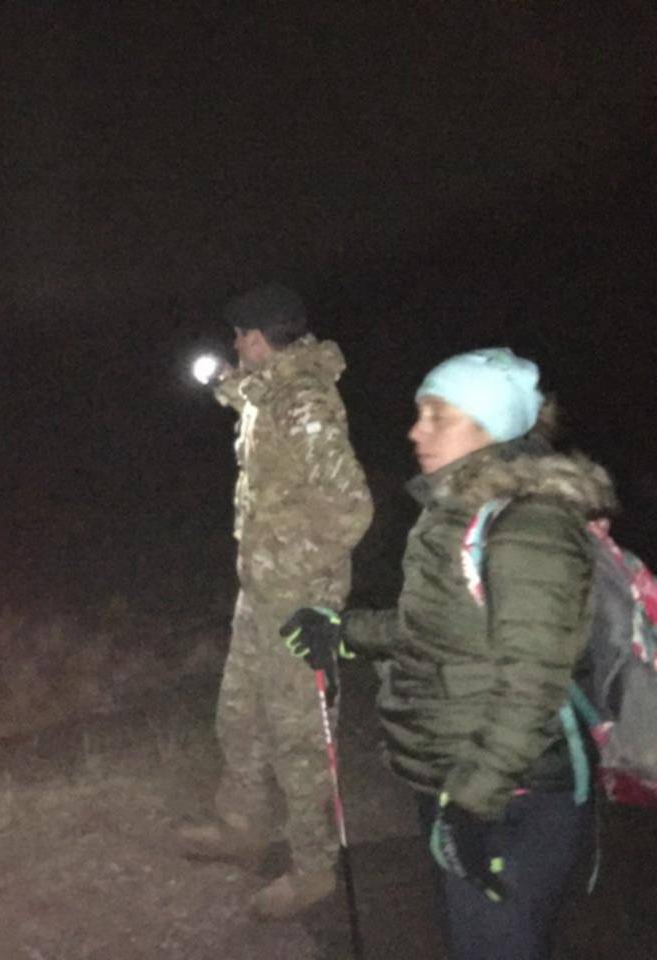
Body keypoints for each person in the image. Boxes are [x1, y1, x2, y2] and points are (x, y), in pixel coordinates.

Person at [286, 348, 615, 959]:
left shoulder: (531, 525)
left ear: (491, 426)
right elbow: (440, 627)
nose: (417, 431)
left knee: (493, 945)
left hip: (511, 789)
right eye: (420, 414)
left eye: (438, 415)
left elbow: (532, 682)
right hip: (456, 773)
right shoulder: (460, 512)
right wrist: (345, 632)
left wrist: (474, 800)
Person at [179, 282, 373, 920]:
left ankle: (314, 870)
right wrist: (225, 384)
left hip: (299, 602)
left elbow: (351, 510)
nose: (234, 344)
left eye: (240, 335)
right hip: (260, 591)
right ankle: (242, 828)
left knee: (299, 739)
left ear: (260, 337)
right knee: (239, 715)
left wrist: (301, 579)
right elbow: (255, 396)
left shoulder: (306, 401)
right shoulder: (273, 391)